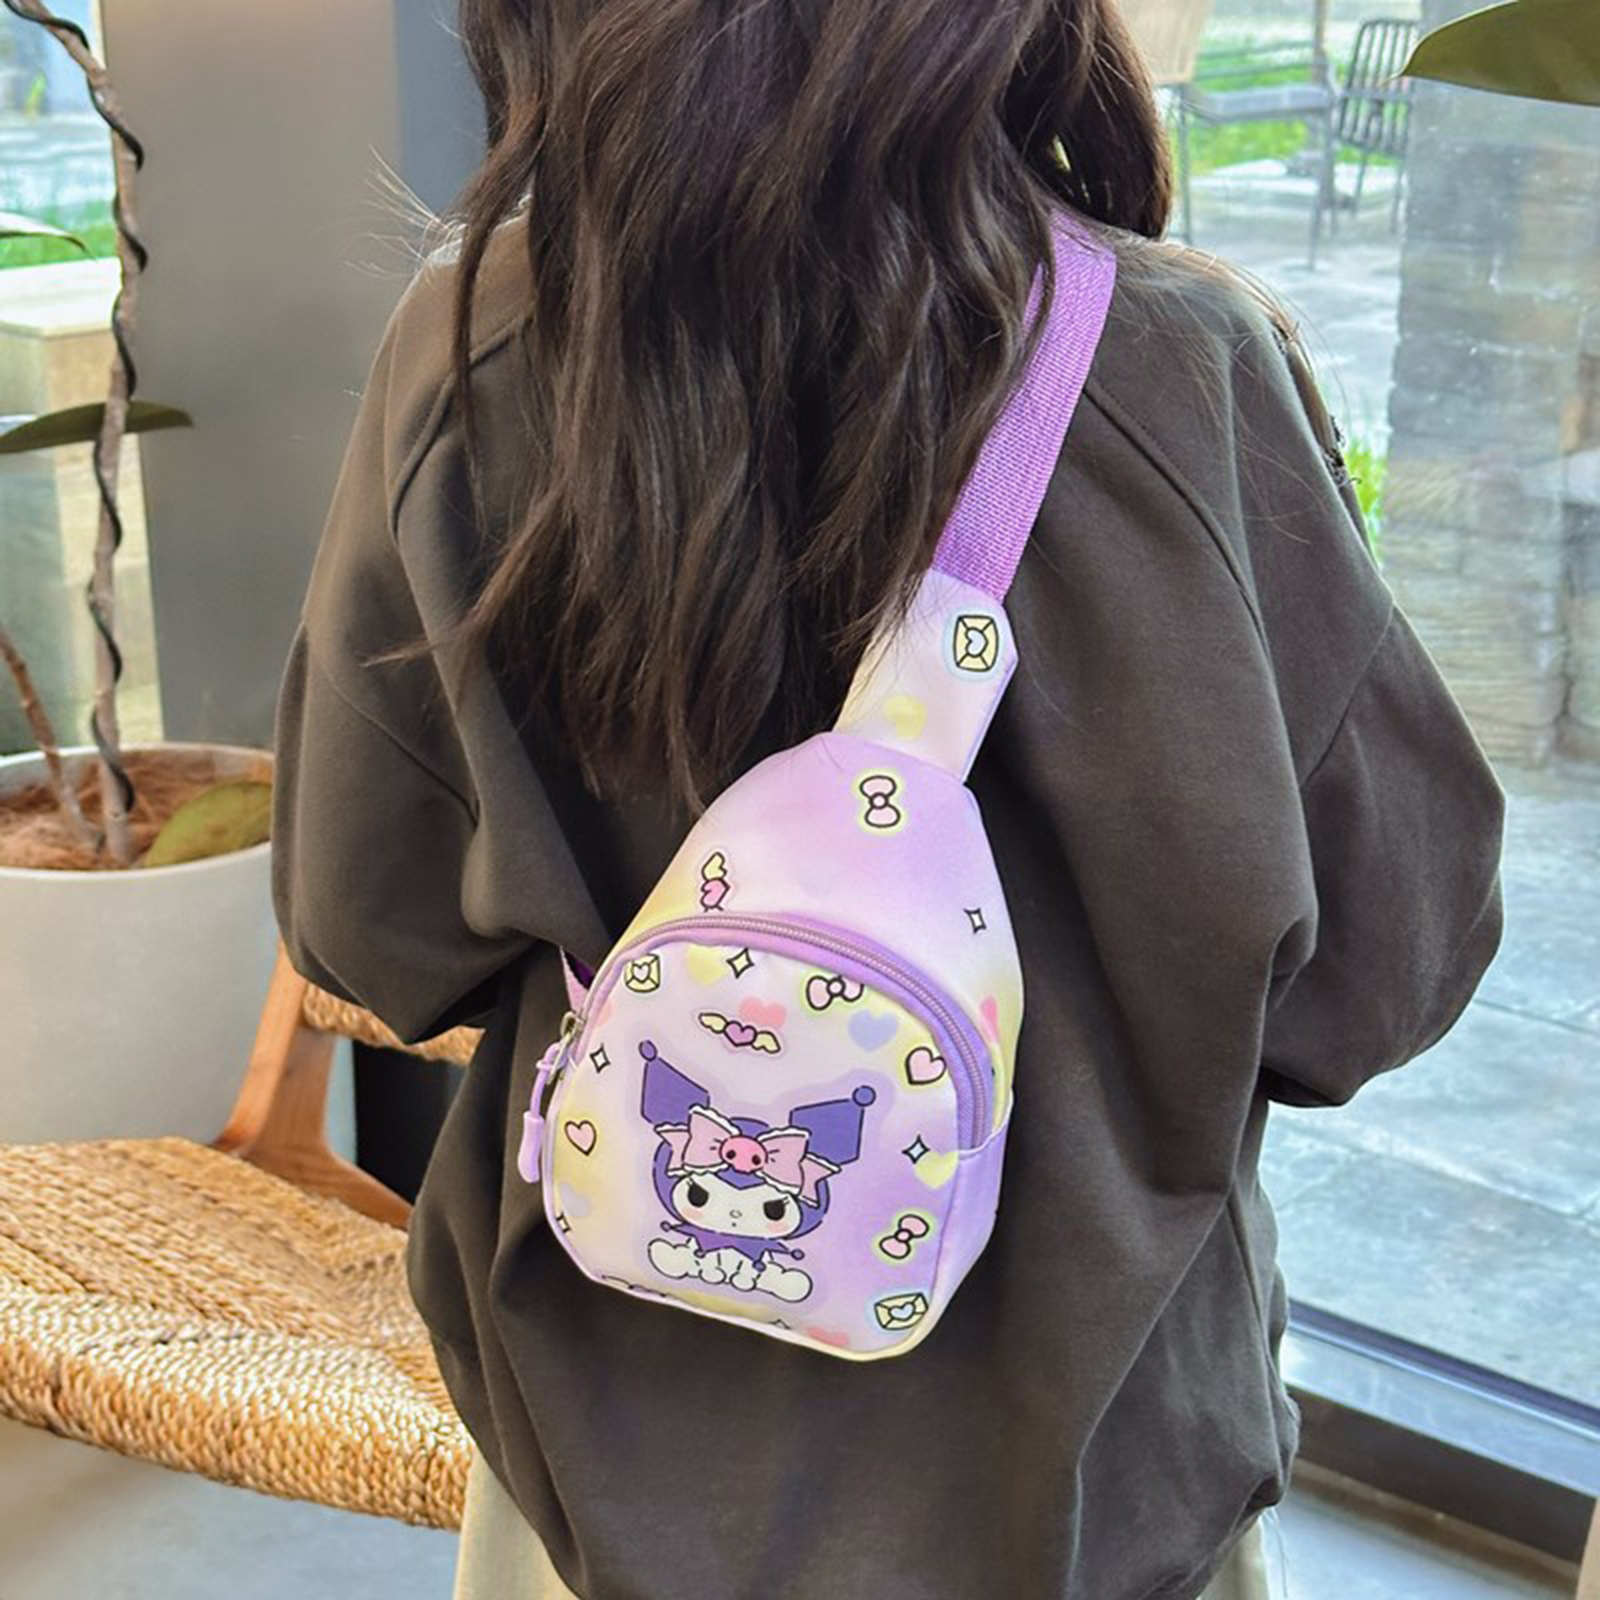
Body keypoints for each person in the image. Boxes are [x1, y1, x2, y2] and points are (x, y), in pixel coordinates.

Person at [269, 2, 1507, 1596]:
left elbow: (365, 931)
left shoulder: (477, 353)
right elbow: (1387, 973)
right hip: (1101, 1471)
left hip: (605, 1451)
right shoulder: (1182, 370)